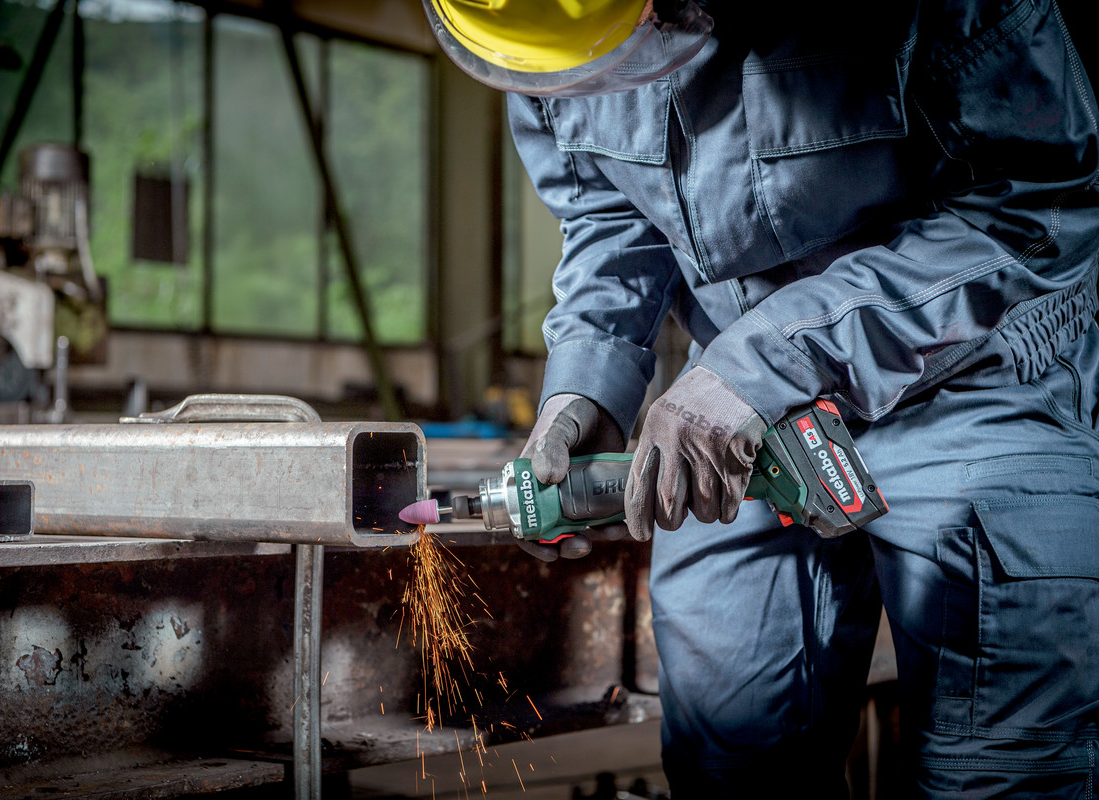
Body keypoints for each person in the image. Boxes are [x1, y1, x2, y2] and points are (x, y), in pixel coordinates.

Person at [424, 0, 1099, 796]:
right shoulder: (530, 30)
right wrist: (587, 386)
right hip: (733, 418)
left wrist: (766, 361)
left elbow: (1032, 208)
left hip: (971, 375)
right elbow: (606, 214)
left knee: (1000, 775)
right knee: (732, 762)